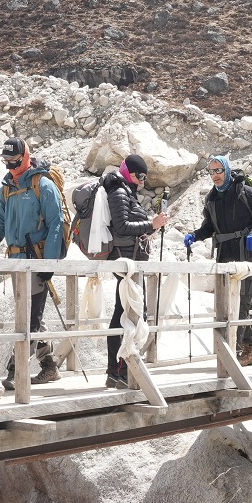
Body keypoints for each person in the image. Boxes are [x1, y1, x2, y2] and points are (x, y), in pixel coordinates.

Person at [0, 137, 65, 389]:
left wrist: (48, 263)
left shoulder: (44, 185)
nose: (9, 165)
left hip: (36, 260)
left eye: (13, 160)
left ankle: (14, 370)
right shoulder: (4, 191)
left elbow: (56, 223)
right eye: (5, 160)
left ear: (25, 156)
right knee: (32, 317)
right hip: (16, 262)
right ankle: (49, 366)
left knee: (29, 318)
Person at [185, 155, 252, 367]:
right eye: (212, 172)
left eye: (218, 171)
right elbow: (209, 227)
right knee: (225, 302)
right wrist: (195, 236)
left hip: (246, 251)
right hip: (224, 253)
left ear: (226, 170)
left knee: (241, 300)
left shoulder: (245, 192)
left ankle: (232, 350)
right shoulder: (212, 199)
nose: (215, 175)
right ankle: (249, 349)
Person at [104, 154, 170, 387]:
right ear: (127, 172)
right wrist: (151, 224)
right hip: (126, 261)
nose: (142, 180)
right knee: (125, 314)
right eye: (139, 175)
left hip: (130, 260)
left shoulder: (125, 190)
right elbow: (121, 226)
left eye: (144, 176)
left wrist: (151, 226)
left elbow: (129, 226)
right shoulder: (119, 192)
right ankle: (118, 370)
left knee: (123, 311)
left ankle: (118, 370)